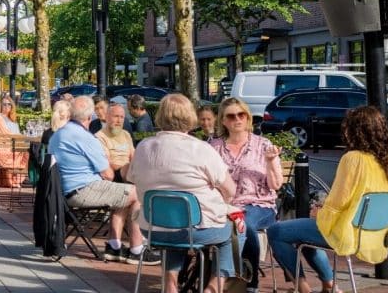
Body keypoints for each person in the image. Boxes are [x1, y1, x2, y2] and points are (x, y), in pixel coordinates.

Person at [267, 106, 388, 293]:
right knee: (302, 233)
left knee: (276, 231)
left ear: (355, 131)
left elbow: (338, 201)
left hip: (346, 231)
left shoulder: (353, 158)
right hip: (375, 234)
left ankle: (303, 289)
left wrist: (320, 213)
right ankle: (329, 286)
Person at [125, 93, 238, 292]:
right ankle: (213, 287)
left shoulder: (143, 147)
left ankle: (170, 285)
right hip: (197, 230)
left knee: (173, 227)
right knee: (231, 233)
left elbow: (130, 176)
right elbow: (230, 189)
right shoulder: (201, 148)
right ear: (190, 117)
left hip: (153, 228)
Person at [49, 95, 159, 266]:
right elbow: (108, 174)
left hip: (64, 191)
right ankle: (137, 250)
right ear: (89, 116)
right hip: (83, 190)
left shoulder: (58, 134)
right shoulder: (86, 138)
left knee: (123, 195)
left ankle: (114, 246)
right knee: (138, 193)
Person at [210, 97, 282, 293]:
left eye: (241, 115)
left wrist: (270, 161)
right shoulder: (213, 147)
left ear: (248, 118)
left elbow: (276, 185)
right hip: (224, 205)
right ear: (223, 121)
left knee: (244, 224)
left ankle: (251, 282)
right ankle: (216, 277)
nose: (237, 119)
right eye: (231, 116)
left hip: (259, 205)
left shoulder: (263, 145)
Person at [96, 103, 134, 183]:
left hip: (130, 170)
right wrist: (129, 167)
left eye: (122, 117)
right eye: (116, 116)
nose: (119, 121)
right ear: (107, 117)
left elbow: (133, 156)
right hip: (115, 175)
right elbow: (107, 163)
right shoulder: (100, 136)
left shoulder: (126, 134)